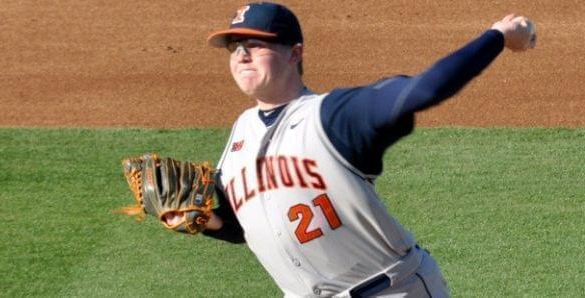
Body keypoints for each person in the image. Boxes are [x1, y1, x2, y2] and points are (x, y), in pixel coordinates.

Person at [194, 2, 535, 297]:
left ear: (294, 53)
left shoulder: (334, 116)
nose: (242, 54)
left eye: (256, 44)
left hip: (390, 290)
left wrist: (498, 36)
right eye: (235, 47)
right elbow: (247, 228)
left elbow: (424, 90)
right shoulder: (242, 131)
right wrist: (204, 220)